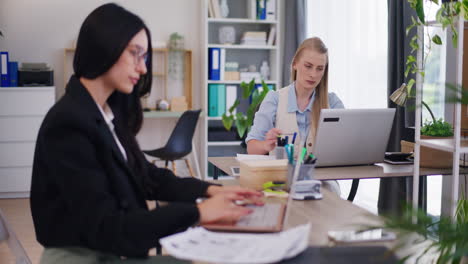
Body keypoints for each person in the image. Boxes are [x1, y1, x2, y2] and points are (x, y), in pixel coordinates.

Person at [30, 3, 262, 263]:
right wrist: (197, 213)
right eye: (135, 54)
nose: (142, 69)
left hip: (109, 252)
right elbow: (109, 228)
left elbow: (146, 177)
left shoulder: (105, 114)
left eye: (145, 57)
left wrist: (210, 190)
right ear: (105, 47)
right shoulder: (68, 124)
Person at [246, 37, 344, 195]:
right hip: (281, 180)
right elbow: (251, 148)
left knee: (330, 199)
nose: (313, 74)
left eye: (320, 69)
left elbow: (345, 143)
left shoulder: (332, 102)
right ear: (295, 64)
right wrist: (266, 145)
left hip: (321, 181)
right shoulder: (275, 99)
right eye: (308, 66)